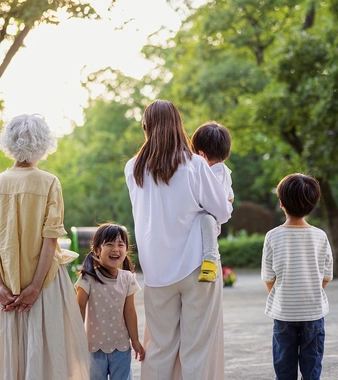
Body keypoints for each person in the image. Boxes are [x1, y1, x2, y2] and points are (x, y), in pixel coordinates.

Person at [124, 99, 233, 379]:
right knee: (197, 347)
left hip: (157, 271)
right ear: (178, 125)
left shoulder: (133, 168)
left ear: (145, 128)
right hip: (198, 264)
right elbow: (221, 211)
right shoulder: (195, 165)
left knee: (159, 346)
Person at [0, 114, 89, 379]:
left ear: (9, 142)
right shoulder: (50, 183)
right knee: (49, 356)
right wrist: (35, 287)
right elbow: (50, 239)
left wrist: (0, 286)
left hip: (4, 290)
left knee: (6, 357)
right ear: (44, 143)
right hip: (45, 284)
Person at [261, 173, 333, 380]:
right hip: (313, 312)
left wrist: (282, 297)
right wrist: (311, 292)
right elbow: (326, 275)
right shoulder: (320, 236)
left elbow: (268, 277)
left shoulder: (273, 236)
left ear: (281, 203)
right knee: (312, 369)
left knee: (284, 369)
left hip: (283, 314)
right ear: (313, 203)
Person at [75, 223, 145, 380]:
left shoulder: (127, 278)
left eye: (121, 245)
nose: (116, 249)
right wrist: (76, 339)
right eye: (109, 244)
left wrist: (135, 340)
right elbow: (79, 307)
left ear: (126, 250)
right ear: (97, 250)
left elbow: (130, 312)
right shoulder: (88, 278)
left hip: (121, 347)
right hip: (93, 347)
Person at [191, 121, 234, 282]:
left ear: (201, 154)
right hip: (204, 221)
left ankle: (210, 261)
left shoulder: (219, 170)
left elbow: (219, 198)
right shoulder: (216, 169)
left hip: (211, 219)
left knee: (207, 219)